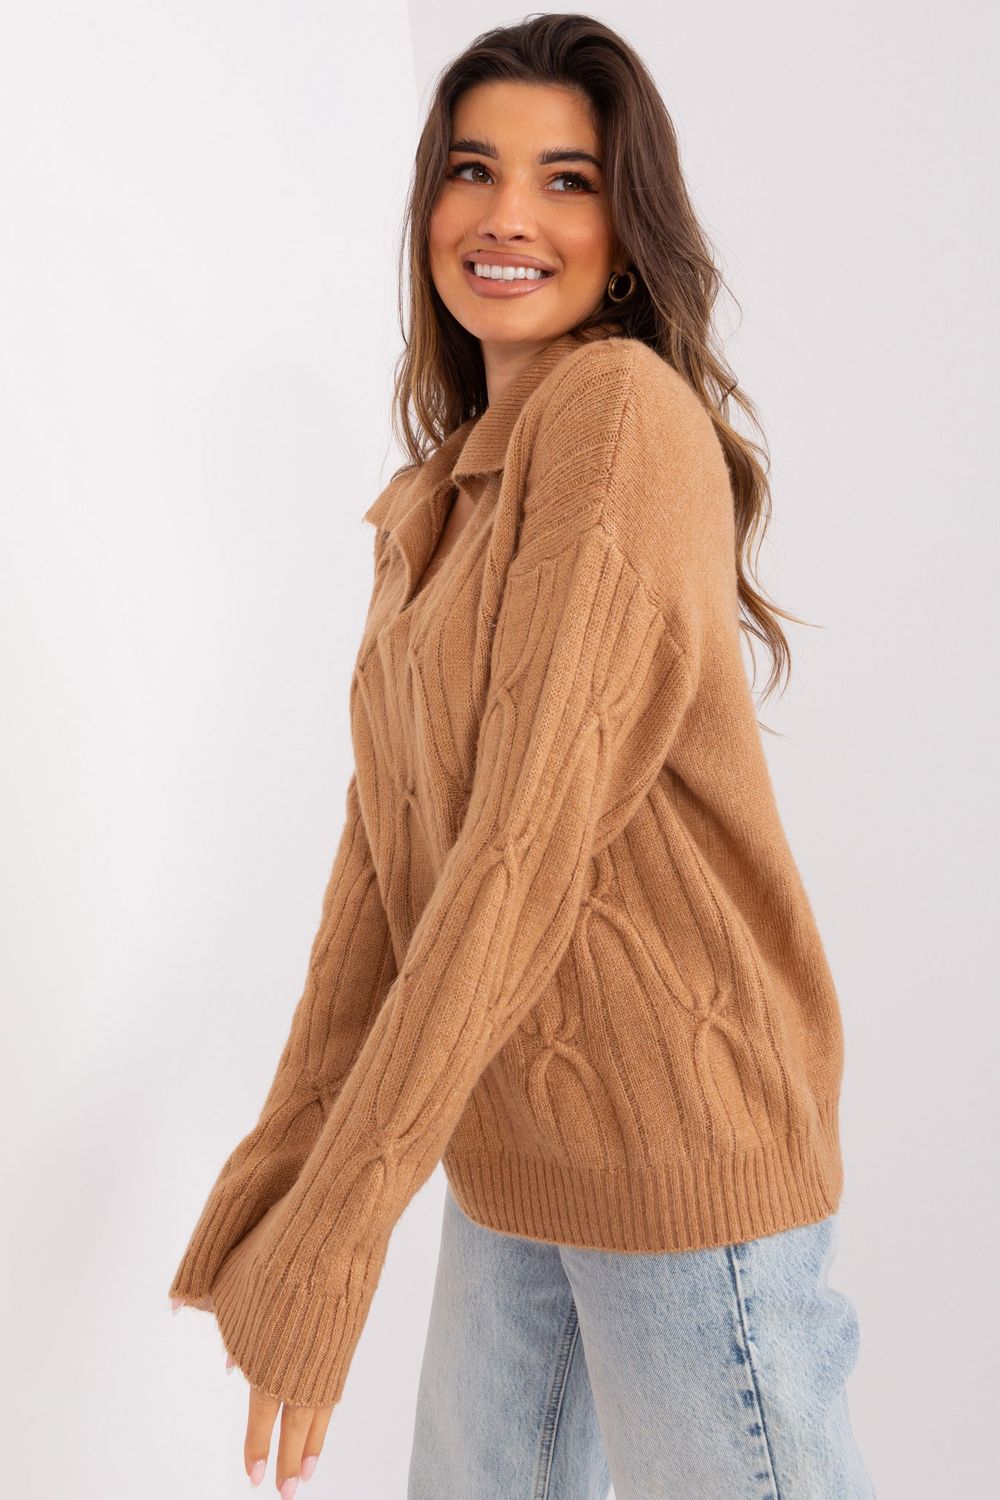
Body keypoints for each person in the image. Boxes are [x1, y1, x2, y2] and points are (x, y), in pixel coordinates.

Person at [168, 14, 877, 1499]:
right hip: (512, 1142)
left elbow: (519, 851)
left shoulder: (617, 419)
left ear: (627, 236)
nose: (507, 217)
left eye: (567, 180)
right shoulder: (444, 494)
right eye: (472, 169)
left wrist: (340, 1228)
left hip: (681, 1151)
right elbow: (385, 869)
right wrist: (286, 1176)